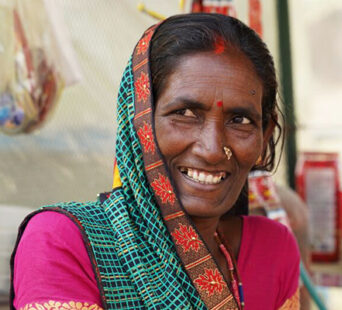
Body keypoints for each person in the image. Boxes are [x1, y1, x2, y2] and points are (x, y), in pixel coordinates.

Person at [10, 13, 300, 309]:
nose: (212, 150)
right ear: (137, 123)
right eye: (185, 114)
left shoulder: (273, 249)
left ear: (264, 136)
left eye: (239, 120)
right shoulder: (63, 242)